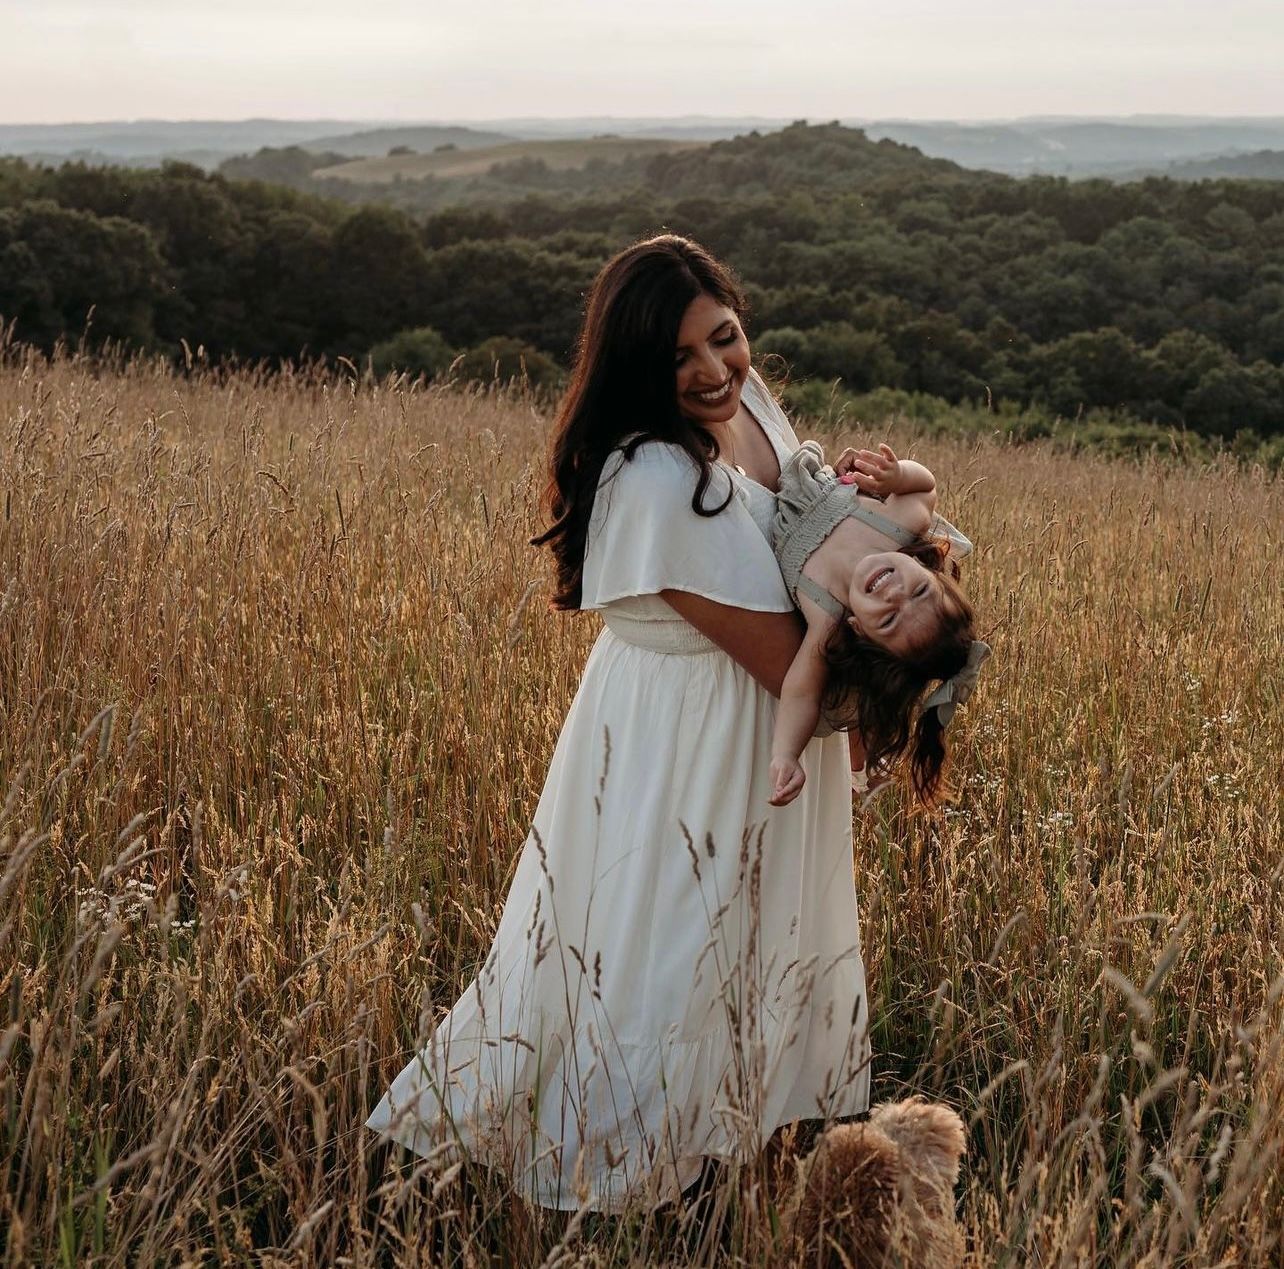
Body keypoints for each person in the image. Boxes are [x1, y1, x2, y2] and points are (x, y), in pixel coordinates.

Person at [366, 235, 870, 1213]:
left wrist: (900, 531)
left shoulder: (751, 402)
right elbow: (784, 658)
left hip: (771, 718)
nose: (715, 370)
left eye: (725, 339)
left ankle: (730, 1153)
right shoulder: (650, 478)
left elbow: (817, 535)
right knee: (672, 948)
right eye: (679, 358)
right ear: (636, 368)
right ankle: (628, 1186)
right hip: (698, 736)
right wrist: (924, 669)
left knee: (755, 939)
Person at [767, 440, 990, 809]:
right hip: (801, 467)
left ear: (859, 630)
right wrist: (897, 476)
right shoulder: (895, 527)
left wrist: (786, 755)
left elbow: (802, 694)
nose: (894, 594)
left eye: (887, 620)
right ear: (926, 569)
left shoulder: (827, 616)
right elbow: (926, 488)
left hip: (762, 500)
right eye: (919, 591)